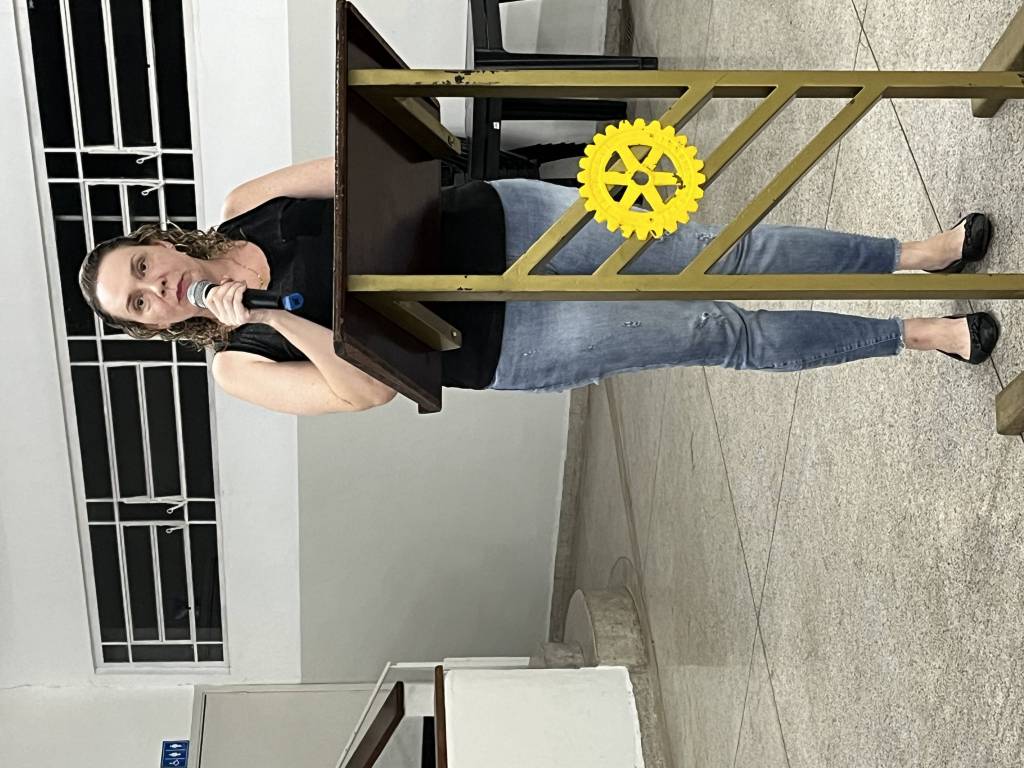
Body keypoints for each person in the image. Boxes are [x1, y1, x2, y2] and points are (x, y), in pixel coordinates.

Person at [78, 156, 1000, 415]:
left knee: (724, 253)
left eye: (143, 268)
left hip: (503, 222)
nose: (158, 288)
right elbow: (363, 393)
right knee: (718, 331)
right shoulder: (238, 362)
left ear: (158, 242)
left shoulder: (249, 205)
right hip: (504, 341)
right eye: (139, 303)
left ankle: (913, 254)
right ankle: (918, 335)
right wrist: (277, 315)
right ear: (152, 327)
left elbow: (374, 161)